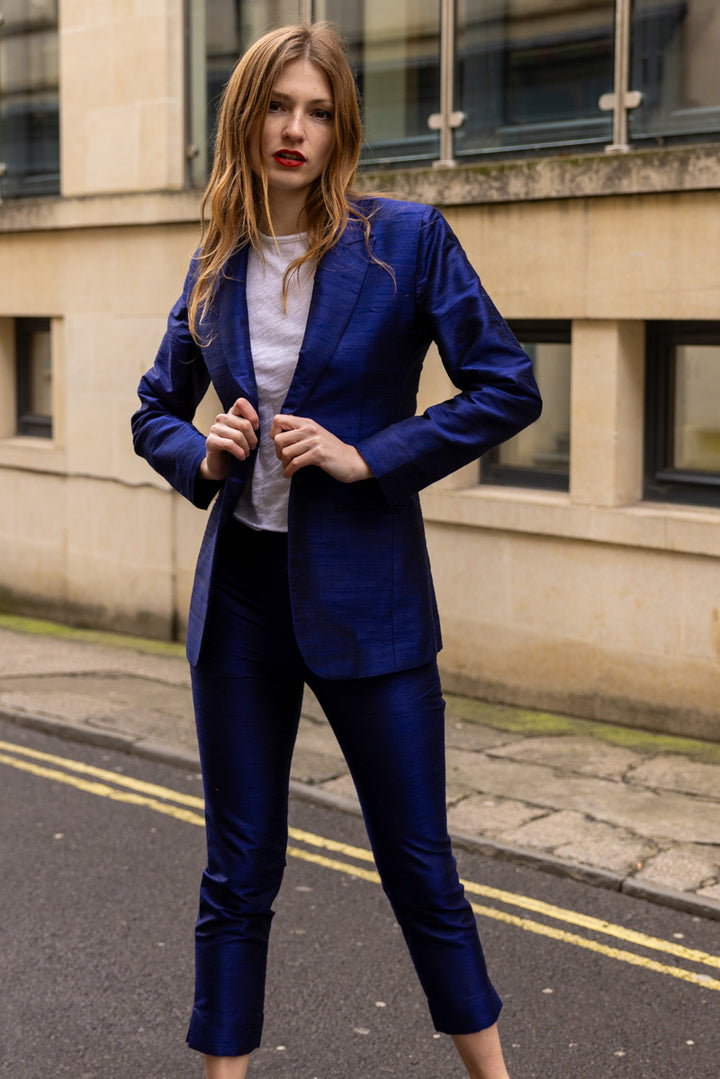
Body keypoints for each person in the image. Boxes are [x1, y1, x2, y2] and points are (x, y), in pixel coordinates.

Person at [132, 22, 541, 1079]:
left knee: (418, 863)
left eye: (317, 110)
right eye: (278, 106)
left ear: (341, 125)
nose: (295, 129)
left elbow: (507, 384)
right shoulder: (216, 258)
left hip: (373, 598)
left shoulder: (405, 240)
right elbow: (151, 410)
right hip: (245, 603)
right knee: (238, 866)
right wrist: (205, 453)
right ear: (246, 117)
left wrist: (373, 457)